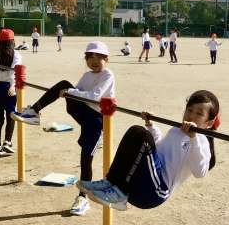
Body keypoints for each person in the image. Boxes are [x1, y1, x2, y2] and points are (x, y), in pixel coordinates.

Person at [11, 41, 115, 216]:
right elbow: (75, 91)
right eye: (90, 57)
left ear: (107, 59)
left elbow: (94, 97)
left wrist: (69, 92)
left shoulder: (108, 75)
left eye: (99, 57)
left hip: (97, 121)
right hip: (83, 113)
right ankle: (34, 111)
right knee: (63, 84)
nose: (94, 61)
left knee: (86, 159)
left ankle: (82, 198)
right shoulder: (87, 75)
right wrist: (68, 92)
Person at [78, 90, 220, 211]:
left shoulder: (201, 142)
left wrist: (193, 138)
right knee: (136, 131)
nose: (191, 116)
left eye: (199, 114)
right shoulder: (177, 130)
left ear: (209, 123)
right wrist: (150, 125)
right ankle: (110, 182)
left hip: (155, 192)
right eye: (189, 110)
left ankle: (119, 194)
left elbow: (200, 172)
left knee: (142, 135)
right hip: (142, 182)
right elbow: (157, 149)